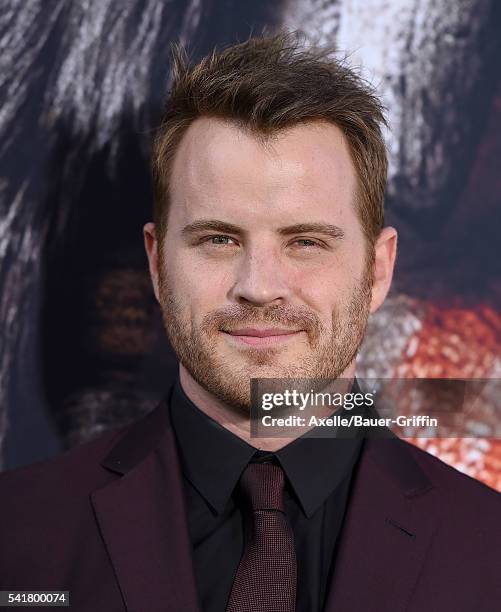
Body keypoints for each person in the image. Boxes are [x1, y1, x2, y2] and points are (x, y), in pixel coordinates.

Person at [0, 31, 499, 612]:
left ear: (379, 270)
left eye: (307, 242)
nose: (259, 287)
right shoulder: (17, 536)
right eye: (217, 239)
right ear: (157, 264)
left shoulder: (489, 552)